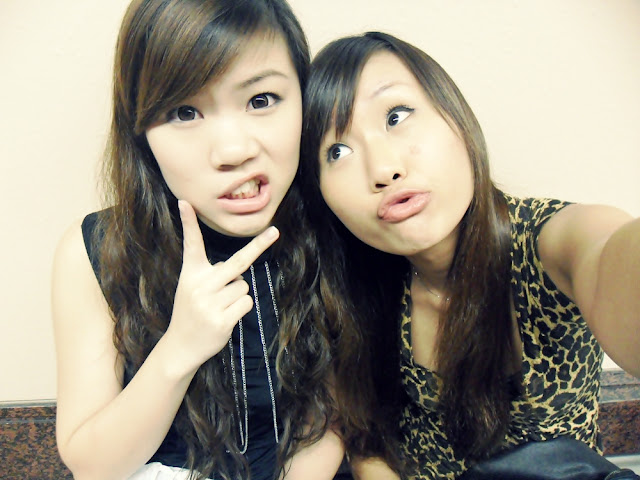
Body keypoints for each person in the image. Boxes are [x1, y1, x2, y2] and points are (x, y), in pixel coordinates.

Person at [300, 31, 640, 479]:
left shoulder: (546, 247)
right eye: (337, 151)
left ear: (457, 119)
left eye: (397, 116)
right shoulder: (355, 289)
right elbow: (370, 442)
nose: (383, 169)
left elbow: (608, 254)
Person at [51, 1, 345, 479]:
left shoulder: (334, 225)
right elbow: (92, 465)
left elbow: (332, 420)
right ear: (140, 131)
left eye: (261, 100)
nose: (233, 150)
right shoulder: (98, 250)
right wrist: (181, 347)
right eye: (184, 112)